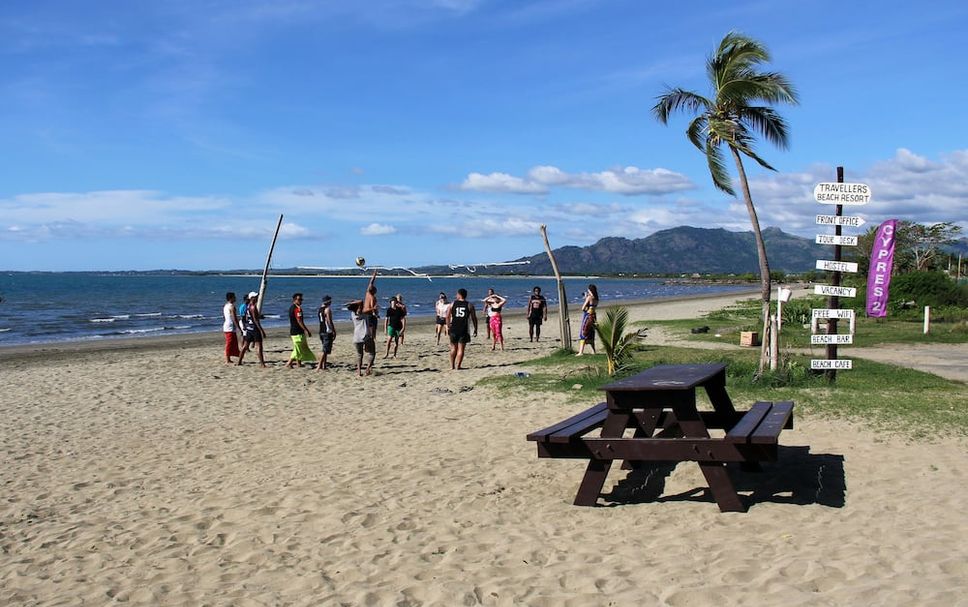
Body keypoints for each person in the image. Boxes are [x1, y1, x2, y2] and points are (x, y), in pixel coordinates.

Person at [446, 288, 478, 370]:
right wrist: (475, 329)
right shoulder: (469, 305)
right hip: (463, 329)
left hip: (454, 328)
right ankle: (458, 366)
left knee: (453, 348)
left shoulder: (452, 304)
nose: (456, 295)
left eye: (457, 294)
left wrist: (448, 326)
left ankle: (452, 366)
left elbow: (447, 316)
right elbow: (474, 318)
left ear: (459, 295)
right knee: (461, 349)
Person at [285, 292, 316, 368]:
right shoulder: (297, 309)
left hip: (294, 331)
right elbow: (299, 321)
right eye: (299, 299)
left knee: (299, 347)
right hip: (297, 332)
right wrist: (306, 330)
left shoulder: (291, 307)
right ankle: (289, 363)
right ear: (294, 300)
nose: (301, 301)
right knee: (298, 348)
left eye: (301, 299)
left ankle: (299, 363)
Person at [237, 291, 267, 367]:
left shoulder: (247, 306)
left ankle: (239, 361)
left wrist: (258, 317)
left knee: (245, 346)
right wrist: (261, 330)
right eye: (255, 297)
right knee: (259, 346)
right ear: (251, 298)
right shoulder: (253, 307)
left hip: (249, 328)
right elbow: (255, 320)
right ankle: (262, 364)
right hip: (254, 328)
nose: (257, 298)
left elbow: (247, 317)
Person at [347, 300, 375, 376]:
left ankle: (359, 371)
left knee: (359, 355)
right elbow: (361, 301)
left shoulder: (353, 314)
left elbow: (359, 303)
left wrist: (351, 303)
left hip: (356, 337)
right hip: (366, 336)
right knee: (372, 353)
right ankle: (368, 369)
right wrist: (373, 308)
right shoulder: (363, 313)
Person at [576, 284, 600, 356]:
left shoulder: (589, 297)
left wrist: (586, 299)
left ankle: (581, 352)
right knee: (591, 333)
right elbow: (592, 307)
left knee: (584, 332)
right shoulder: (596, 299)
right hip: (593, 316)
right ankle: (593, 350)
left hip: (587, 316)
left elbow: (583, 308)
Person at [316, 295, 336, 371]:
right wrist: (333, 330)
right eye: (330, 301)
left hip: (321, 330)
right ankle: (319, 366)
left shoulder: (320, 309)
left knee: (325, 349)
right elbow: (329, 321)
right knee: (325, 350)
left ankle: (324, 365)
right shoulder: (327, 310)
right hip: (327, 331)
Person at [222, 292, 242, 364]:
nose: (235, 298)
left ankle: (231, 357)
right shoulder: (231, 307)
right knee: (229, 343)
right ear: (231, 298)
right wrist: (238, 327)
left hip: (228, 326)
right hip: (229, 327)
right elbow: (234, 318)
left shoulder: (226, 306)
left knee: (233, 342)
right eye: (234, 297)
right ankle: (227, 359)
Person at [361, 269, 379, 340]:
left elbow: (371, 283)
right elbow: (372, 308)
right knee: (371, 331)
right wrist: (375, 312)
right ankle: (371, 340)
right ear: (374, 291)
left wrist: (374, 275)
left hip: (365, 314)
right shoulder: (372, 297)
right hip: (369, 315)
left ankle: (371, 340)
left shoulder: (367, 293)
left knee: (368, 330)